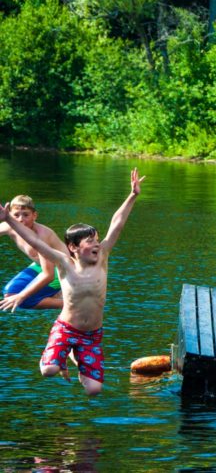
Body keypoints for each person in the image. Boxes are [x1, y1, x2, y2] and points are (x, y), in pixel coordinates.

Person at [0, 168, 145, 395]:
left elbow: (117, 224)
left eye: (97, 239)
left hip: (92, 335)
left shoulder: (102, 258)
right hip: (66, 329)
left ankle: (72, 353)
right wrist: (8, 218)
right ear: (73, 247)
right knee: (49, 370)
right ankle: (59, 350)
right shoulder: (63, 263)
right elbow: (33, 240)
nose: (97, 244)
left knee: (93, 390)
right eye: (90, 241)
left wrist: (133, 195)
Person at [1, 195, 68, 312]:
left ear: (34, 215)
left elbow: (49, 275)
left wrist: (22, 295)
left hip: (62, 269)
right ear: (10, 215)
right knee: (10, 295)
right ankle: (54, 295)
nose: (21, 219)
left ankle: (72, 303)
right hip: (40, 265)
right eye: (16, 215)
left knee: (23, 299)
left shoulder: (41, 235)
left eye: (26, 214)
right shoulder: (9, 226)